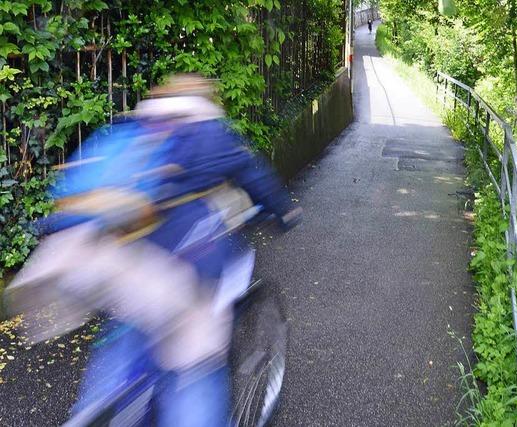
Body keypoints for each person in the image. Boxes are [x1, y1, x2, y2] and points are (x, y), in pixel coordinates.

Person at [10, 74, 301, 426]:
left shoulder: (128, 129)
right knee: (195, 357)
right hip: (169, 267)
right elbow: (257, 178)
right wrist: (284, 211)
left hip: (91, 252)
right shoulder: (211, 132)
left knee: (126, 331)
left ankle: (98, 408)